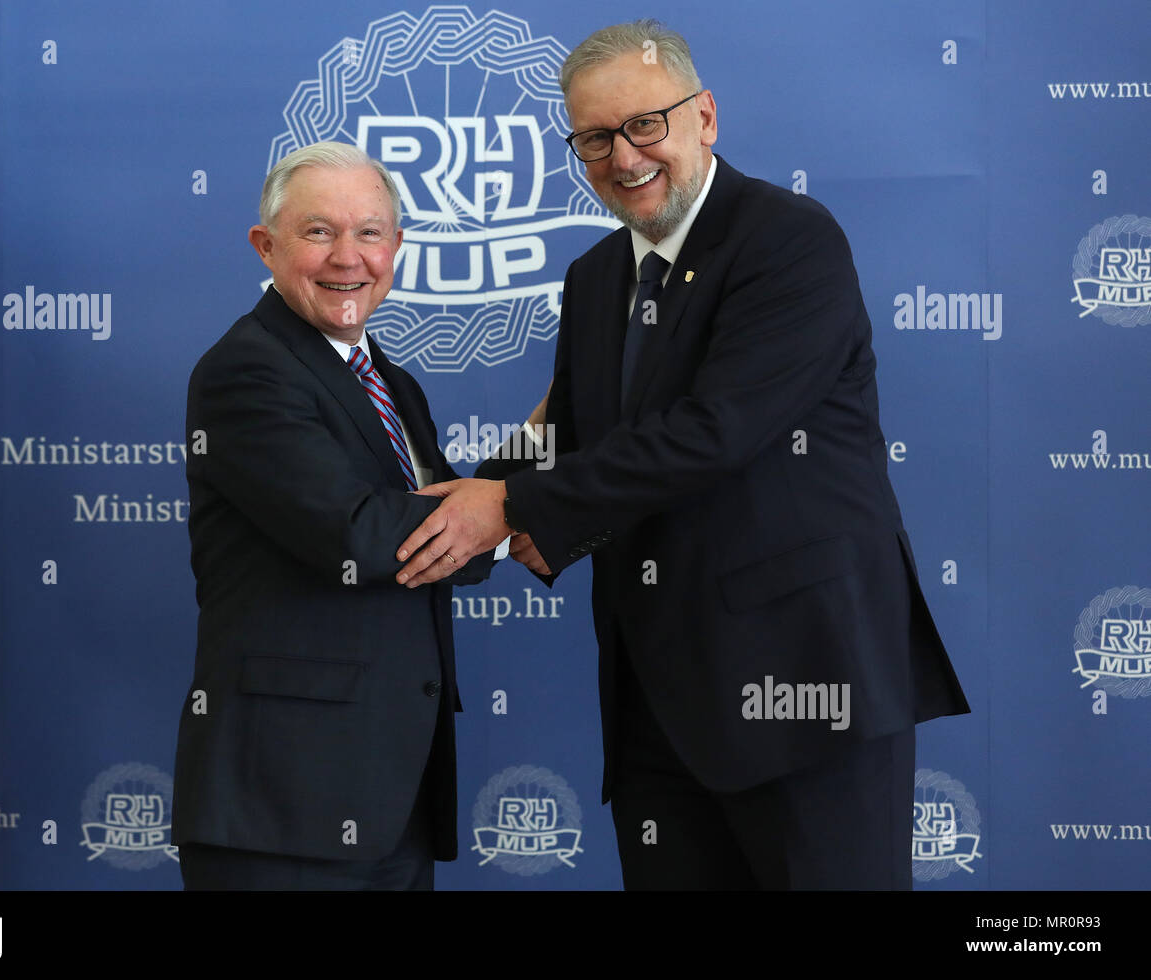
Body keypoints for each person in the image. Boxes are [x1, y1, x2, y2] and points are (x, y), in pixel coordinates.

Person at [394, 20, 969, 889]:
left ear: (704, 116)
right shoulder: (594, 275)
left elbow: (715, 430)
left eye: (644, 125)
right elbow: (574, 430)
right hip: (658, 702)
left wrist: (510, 509)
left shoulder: (788, 238)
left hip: (806, 690)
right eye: (594, 138)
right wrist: (449, 500)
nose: (623, 159)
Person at [172, 141, 494, 890]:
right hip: (284, 810)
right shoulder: (245, 370)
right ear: (267, 245)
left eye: (370, 232)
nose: (348, 257)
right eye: (319, 232)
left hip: (392, 796)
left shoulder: (392, 382)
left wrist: (512, 503)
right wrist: (506, 515)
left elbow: (455, 530)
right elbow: (360, 532)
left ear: (398, 246)